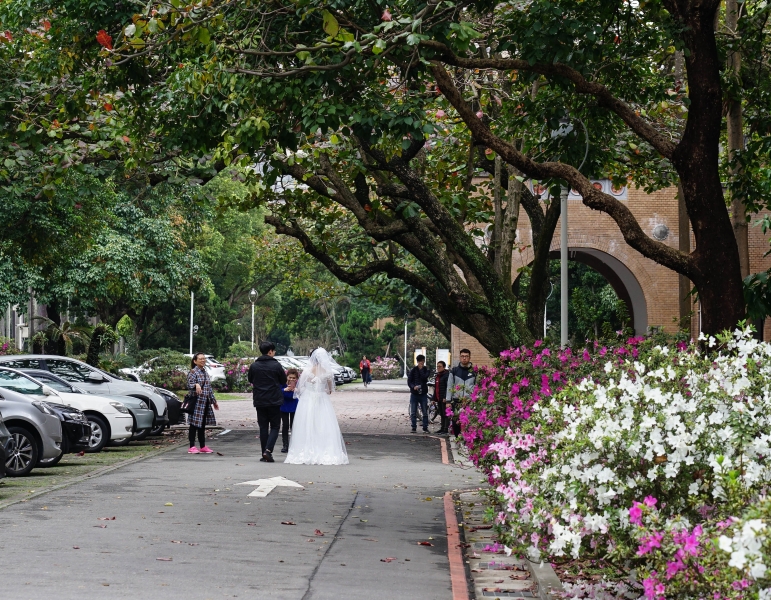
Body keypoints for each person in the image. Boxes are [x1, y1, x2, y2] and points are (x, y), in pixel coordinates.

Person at [285, 347, 349, 465]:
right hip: (322, 399)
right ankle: (323, 448)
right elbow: (330, 390)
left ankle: (306, 449)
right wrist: (323, 388)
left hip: (307, 399)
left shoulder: (307, 371)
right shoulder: (328, 372)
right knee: (323, 423)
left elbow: (301, 387)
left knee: (307, 424)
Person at [247, 341, 287, 463]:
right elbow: (283, 380)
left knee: (263, 427)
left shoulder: (254, 366)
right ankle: (268, 451)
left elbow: (250, 379)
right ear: (270, 351)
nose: (274, 353)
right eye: (274, 351)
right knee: (275, 426)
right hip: (274, 399)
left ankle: (263, 452)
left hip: (260, 399)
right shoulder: (276, 365)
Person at [187, 352, 219, 454]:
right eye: (200, 359)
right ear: (195, 361)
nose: (203, 360)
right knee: (193, 425)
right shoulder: (193, 372)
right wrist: (196, 384)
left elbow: (209, 389)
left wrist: (213, 401)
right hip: (196, 403)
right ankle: (192, 446)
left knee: (202, 425)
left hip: (205, 403)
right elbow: (189, 384)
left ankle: (202, 446)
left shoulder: (205, 372)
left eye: (204, 358)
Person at [446, 348, 475, 436]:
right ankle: (458, 439)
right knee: (456, 423)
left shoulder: (474, 372)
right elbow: (450, 385)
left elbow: (477, 387)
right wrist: (448, 400)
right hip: (457, 401)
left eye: (466, 356)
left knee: (469, 423)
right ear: (460, 357)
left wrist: (476, 400)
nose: (464, 358)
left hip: (469, 402)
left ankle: (467, 442)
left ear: (469, 358)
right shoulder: (454, 371)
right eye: (462, 356)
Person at [408, 354, 430, 433]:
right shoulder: (413, 370)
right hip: (414, 393)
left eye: (422, 361)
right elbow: (409, 381)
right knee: (413, 411)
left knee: (425, 411)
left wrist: (421, 370)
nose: (421, 363)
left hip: (423, 393)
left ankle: (425, 427)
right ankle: (413, 427)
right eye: (420, 361)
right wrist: (413, 386)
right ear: (417, 361)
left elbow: (424, 377)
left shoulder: (426, 370)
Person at [279, 368, 299, 453]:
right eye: (290, 377)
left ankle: (293, 444)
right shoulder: (283, 384)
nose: (291, 379)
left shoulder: (298, 385)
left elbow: (302, 393)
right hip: (284, 406)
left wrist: (297, 391)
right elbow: (278, 391)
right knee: (285, 425)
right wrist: (284, 390)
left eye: (293, 378)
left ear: (296, 378)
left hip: (294, 406)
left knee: (293, 425)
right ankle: (285, 445)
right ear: (287, 377)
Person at [433, 360, 450, 435]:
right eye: (437, 366)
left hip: (444, 398)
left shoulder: (447, 375)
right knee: (441, 413)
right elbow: (436, 388)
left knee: (445, 414)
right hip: (438, 397)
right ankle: (442, 428)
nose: (438, 368)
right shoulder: (438, 376)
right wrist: (433, 398)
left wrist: (445, 397)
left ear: (444, 367)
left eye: (440, 366)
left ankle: (445, 429)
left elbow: (448, 387)